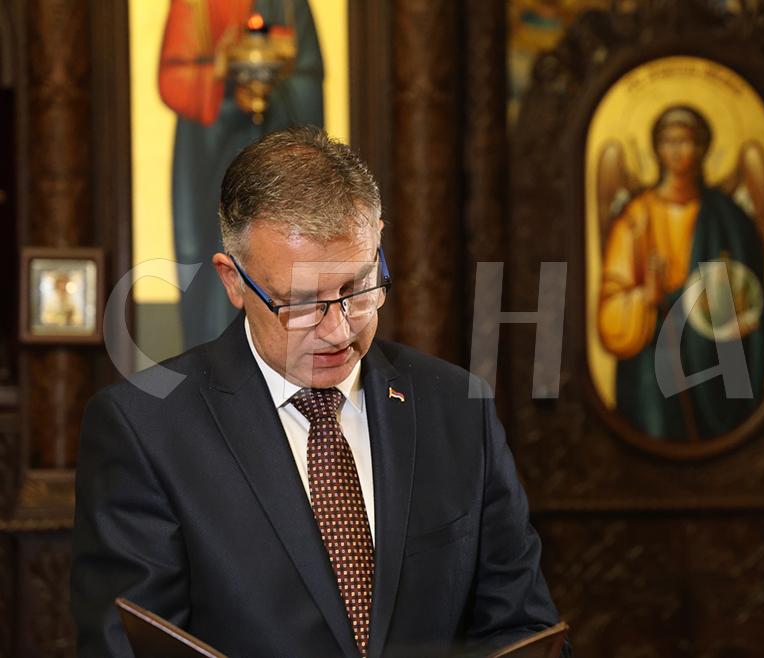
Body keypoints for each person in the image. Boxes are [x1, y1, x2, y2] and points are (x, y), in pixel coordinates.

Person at [71, 127, 569, 657]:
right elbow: (127, 649)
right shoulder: (145, 427)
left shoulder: (458, 408)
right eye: (301, 303)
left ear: (377, 239)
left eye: (359, 288)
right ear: (233, 281)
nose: (340, 330)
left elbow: (522, 628)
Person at [159, 0, 324, 349]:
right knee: (213, 249)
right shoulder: (194, 5)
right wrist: (223, 79)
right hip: (210, 150)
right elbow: (173, 77)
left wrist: (275, 88)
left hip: (280, 151)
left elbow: (309, 76)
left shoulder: (291, 6)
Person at [597, 105, 764, 441]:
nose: (676, 151)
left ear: (703, 148)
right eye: (668, 142)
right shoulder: (636, 216)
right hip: (655, 340)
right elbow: (610, 300)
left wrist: (743, 313)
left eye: (686, 141)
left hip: (716, 344)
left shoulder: (727, 217)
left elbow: (748, 289)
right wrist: (646, 296)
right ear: (657, 149)